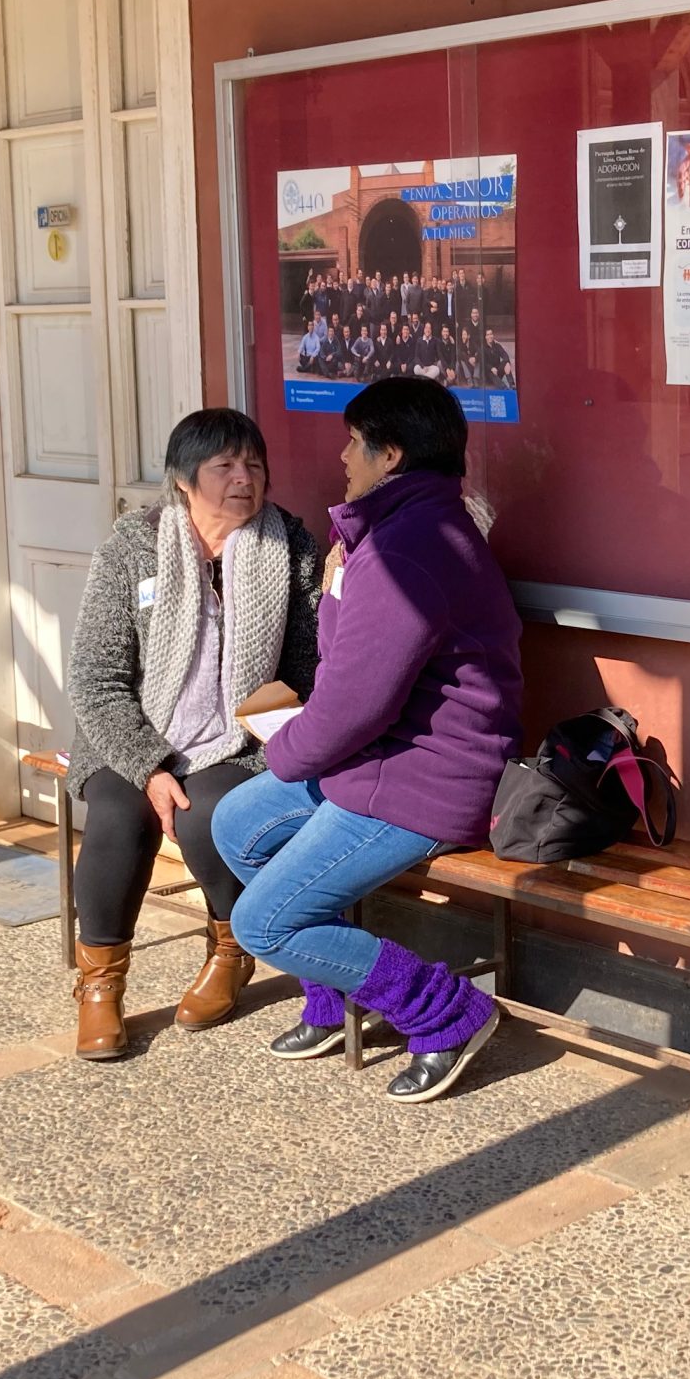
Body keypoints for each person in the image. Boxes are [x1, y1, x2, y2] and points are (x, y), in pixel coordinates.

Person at [212, 377, 522, 1103]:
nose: (342, 455)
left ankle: (446, 1012)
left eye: (355, 442)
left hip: (427, 778)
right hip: (383, 758)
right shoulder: (397, 531)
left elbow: (355, 703)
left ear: (392, 456)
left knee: (265, 926)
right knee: (237, 822)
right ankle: (335, 994)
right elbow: (348, 663)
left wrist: (283, 752)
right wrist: (338, 581)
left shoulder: (410, 546)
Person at [60, 410, 323, 1058]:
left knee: (213, 815)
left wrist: (267, 732)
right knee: (119, 816)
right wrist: (149, 767)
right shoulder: (133, 546)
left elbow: (305, 671)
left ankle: (230, 951)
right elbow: (95, 678)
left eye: (253, 464)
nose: (243, 478)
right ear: (183, 479)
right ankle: (100, 988)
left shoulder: (290, 546)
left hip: (240, 735)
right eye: (224, 466)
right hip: (130, 729)